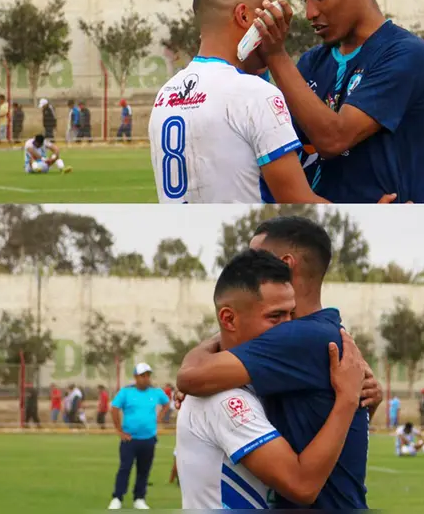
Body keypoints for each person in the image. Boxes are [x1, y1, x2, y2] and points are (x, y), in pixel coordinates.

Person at [175, 215, 383, 509]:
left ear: (286, 263)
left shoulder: (298, 337)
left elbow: (190, 376)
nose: (249, 262)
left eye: (257, 254)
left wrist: (350, 399)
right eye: (276, 316)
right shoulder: (328, 330)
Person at [148, 0, 393, 205]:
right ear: (244, 16)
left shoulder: (166, 94)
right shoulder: (254, 94)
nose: (278, 26)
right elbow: (299, 204)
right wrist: (369, 217)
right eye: (269, 16)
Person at [251, 0, 424, 203]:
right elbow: (281, 147)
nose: (310, 12)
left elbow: (333, 140)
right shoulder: (311, 62)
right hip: (320, 223)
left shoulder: (405, 53)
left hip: (387, 225)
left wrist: (276, 56)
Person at [107, 363, 171, 510]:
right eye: (142, 376)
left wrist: (160, 417)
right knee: (125, 468)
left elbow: (167, 404)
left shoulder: (156, 392)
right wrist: (119, 431)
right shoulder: (126, 392)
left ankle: (139, 498)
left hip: (148, 438)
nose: (146, 378)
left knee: (144, 470)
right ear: (136, 377)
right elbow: (114, 409)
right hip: (130, 439)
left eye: (148, 375)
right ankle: (117, 497)